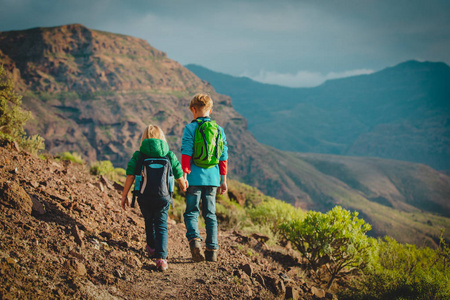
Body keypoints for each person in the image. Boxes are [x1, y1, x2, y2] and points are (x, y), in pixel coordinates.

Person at [121, 125, 187, 271]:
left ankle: (151, 248)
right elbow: (178, 172)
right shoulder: (168, 154)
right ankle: (161, 259)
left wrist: (125, 195)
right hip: (163, 197)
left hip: (144, 197)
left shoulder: (139, 155)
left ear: (144, 138)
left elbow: (131, 175)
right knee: (161, 225)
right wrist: (183, 185)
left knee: (148, 221)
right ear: (161, 137)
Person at [181, 93, 228, 262]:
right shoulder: (219, 130)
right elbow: (223, 157)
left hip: (194, 178)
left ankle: (194, 242)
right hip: (213, 179)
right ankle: (212, 250)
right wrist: (223, 180)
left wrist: (184, 176)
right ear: (211, 110)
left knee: (192, 212)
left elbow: (186, 153)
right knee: (210, 214)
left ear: (193, 110)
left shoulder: (190, 128)